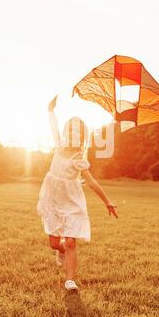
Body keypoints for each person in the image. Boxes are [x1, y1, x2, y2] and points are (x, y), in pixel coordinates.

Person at [37, 95, 118, 291]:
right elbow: (53, 126)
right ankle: (61, 250)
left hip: (72, 201)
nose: (73, 133)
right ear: (66, 133)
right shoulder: (58, 147)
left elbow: (91, 182)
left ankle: (70, 280)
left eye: (77, 131)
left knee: (71, 241)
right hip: (54, 200)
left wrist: (107, 202)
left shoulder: (79, 158)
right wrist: (50, 110)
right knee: (55, 243)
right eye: (70, 129)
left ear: (82, 137)